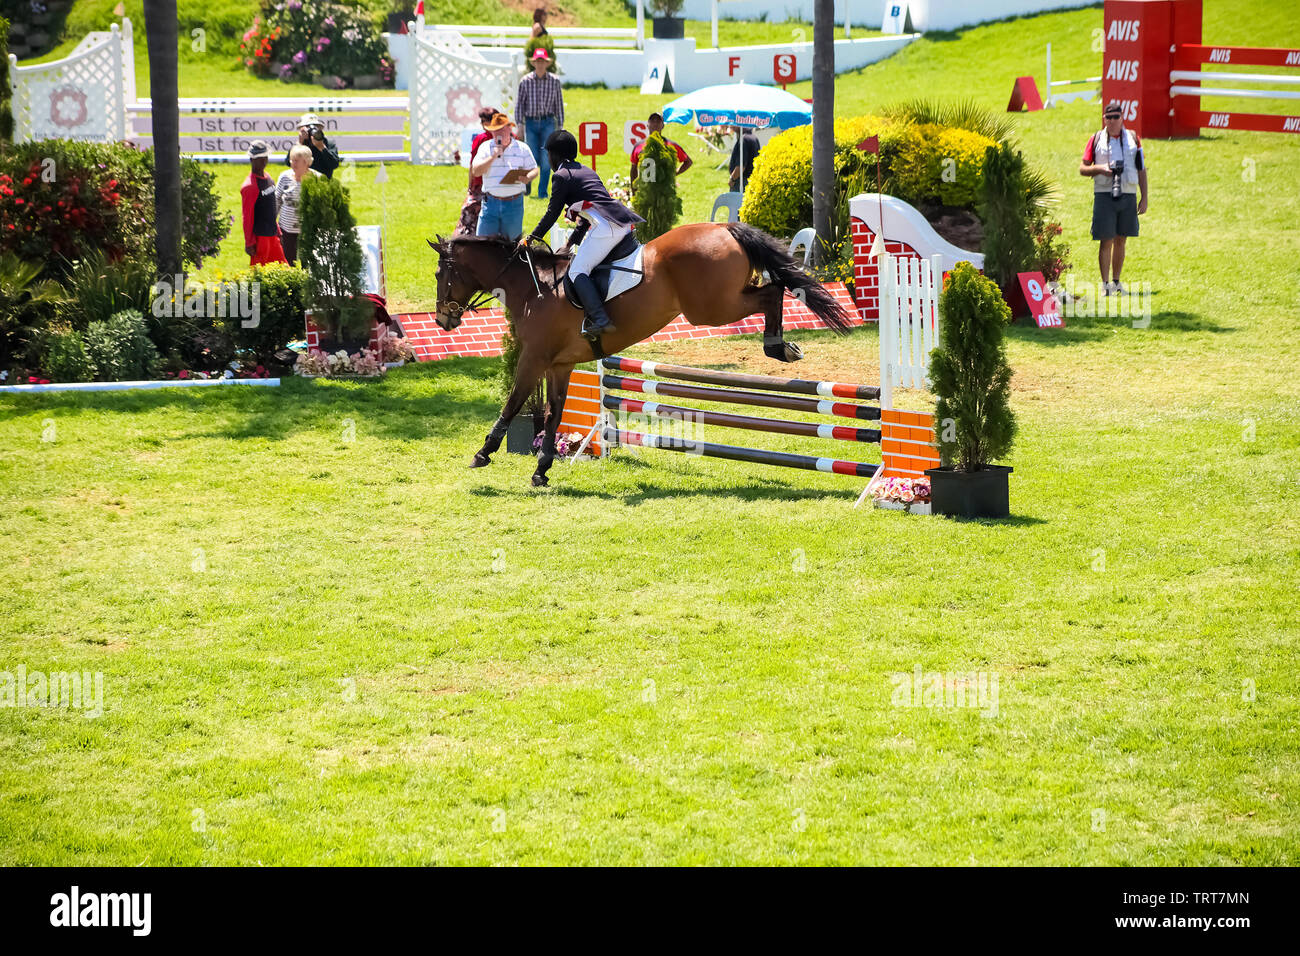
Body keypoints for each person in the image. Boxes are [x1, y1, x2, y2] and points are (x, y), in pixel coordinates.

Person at [519, 129, 644, 340]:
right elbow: (587, 215)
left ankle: (600, 319)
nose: (547, 158)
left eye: (548, 154)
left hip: (607, 227)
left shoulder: (561, 175)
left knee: (577, 271)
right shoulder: (586, 170)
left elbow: (552, 213)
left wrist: (531, 239)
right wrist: (569, 244)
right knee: (583, 265)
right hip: (617, 223)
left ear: (554, 155)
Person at [1079, 101, 1148, 295]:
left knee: (1121, 240)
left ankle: (1117, 282)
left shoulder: (1134, 138)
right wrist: (1100, 169)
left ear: (1122, 118)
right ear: (1104, 119)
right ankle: (1105, 284)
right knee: (1106, 240)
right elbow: (1082, 168)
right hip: (1104, 195)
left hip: (1128, 194)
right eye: (1108, 117)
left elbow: (1142, 170)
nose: (1112, 121)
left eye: (1115, 117)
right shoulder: (1096, 139)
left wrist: (1144, 198)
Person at [471, 112, 539, 239]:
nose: (498, 133)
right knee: (483, 244)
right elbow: (476, 171)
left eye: (501, 129)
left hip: (513, 204)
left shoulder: (522, 148)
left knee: (511, 245)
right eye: (494, 131)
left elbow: (534, 169)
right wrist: (493, 156)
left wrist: (528, 177)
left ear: (509, 128)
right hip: (490, 204)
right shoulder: (485, 147)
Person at [515, 48, 564, 199]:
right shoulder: (526, 81)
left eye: (543, 61)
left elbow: (558, 104)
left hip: (548, 121)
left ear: (547, 63)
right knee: (531, 155)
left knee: (546, 157)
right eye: (538, 61)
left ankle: (542, 192)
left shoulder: (554, 81)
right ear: (534, 63)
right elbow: (519, 105)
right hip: (530, 122)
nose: (540, 64)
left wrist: (560, 126)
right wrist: (520, 125)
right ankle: (527, 185)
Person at [454, 107, 502, 237]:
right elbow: (472, 165)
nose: (481, 124)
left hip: (487, 186)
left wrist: (471, 186)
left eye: (483, 121)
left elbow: (472, 166)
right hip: (492, 185)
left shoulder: (484, 139)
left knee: (470, 213)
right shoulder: (501, 137)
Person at [241, 141, 288, 267]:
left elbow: (271, 208)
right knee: (259, 274)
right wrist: (249, 243)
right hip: (260, 237)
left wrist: (278, 231)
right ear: (251, 160)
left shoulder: (268, 178)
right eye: (259, 159)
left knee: (282, 269)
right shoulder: (249, 187)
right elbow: (247, 217)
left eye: (265, 157)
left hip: (272, 234)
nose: (263, 161)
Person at [275, 145, 320, 265]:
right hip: (286, 230)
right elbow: (277, 200)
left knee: (309, 264)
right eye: (291, 160)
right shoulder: (284, 176)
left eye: (296, 161)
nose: (292, 163)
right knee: (288, 263)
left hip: (308, 231)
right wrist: (272, 223)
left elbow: (321, 206)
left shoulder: (317, 178)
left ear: (306, 162)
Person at [629, 112, 692, 192]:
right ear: (647, 125)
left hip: (665, 192)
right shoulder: (638, 146)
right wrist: (634, 191)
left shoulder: (671, 145)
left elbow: (688, 162)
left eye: (658, 121)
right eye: (652, 121)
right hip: (645, 191)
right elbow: (633, 169)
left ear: (662, 126)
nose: (655, 123)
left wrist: (674, 173)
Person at [285, 112, 340, 179]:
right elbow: (288, 162)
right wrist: (299, 143)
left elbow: (334, 164)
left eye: (315, 126)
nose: (311, 130)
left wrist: (322, 148)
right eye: (307, 127)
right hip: (302, 182)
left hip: (323, 182)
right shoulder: (301, 144)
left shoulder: (328, 143)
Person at [728, 125, 761, 193]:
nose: (731, 125)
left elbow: (741, 166)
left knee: (737, 203)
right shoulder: (754, 137)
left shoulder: (744, 139)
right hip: (751, 180)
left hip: (741, 182)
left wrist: (732, 179)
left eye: (734, 123)